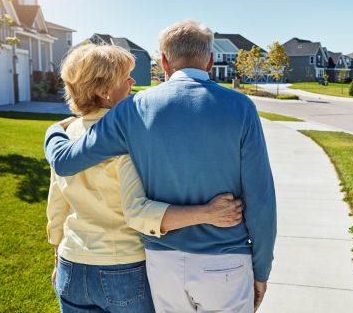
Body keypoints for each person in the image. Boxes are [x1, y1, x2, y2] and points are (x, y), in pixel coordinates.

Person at [45, 20, 277, 313]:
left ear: (164, 60)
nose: (131, 82)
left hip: (151, 263)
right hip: (221, 261)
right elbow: (261, 198)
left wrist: (54, 130)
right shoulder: (241, 106)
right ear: (211, 61)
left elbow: (65, 165)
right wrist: (262, 269)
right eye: (126, 77)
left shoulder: (133, 110)